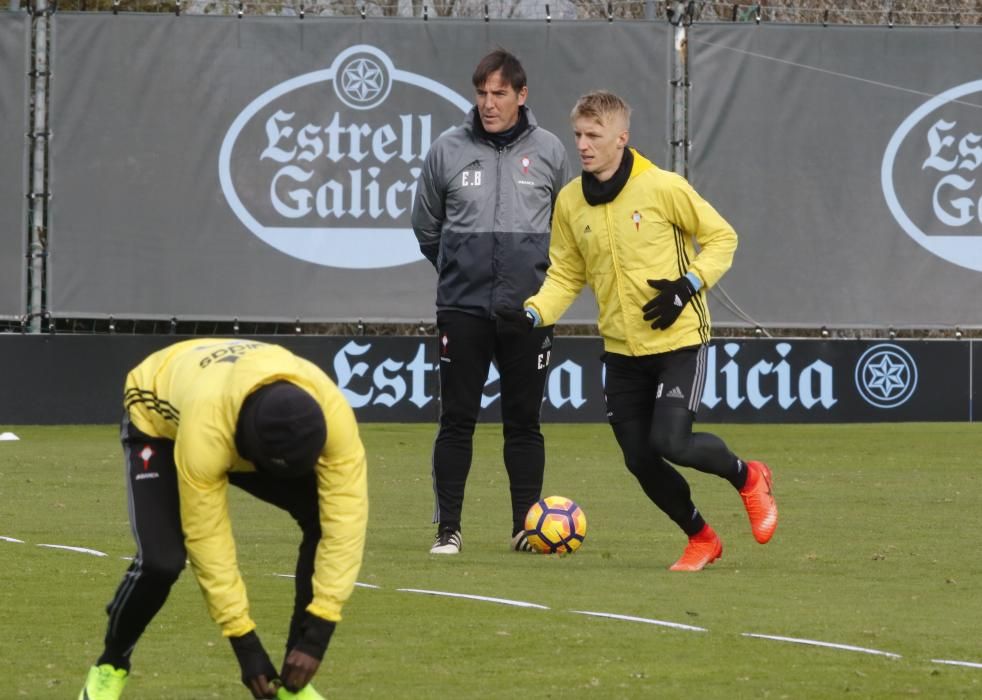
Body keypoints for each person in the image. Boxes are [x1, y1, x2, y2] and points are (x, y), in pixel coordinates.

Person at [498, 91, 777, 571]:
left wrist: (686, 287)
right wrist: (532, 314)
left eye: (594, 135)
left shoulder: (662, 186)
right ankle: (702, 539)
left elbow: (722, 237)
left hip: (679, 340)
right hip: (621, 351)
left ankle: (748, 476)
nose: (583, 145)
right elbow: (566, 275)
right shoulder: (569, 202)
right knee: (639, 460)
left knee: (672, 442)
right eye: (579, 135)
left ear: (621, 138)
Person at [78, 339, 368, 699]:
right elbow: (208, 538)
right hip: (159, 415)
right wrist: (244, 642)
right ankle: (111, 664)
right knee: (162, 561)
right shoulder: (207, 435)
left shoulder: (335, 420)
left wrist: (318, 634)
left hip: (238, 398)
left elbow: (346, 524)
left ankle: (293, 685)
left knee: (323, 520)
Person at [412, 49, 570, 555]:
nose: (488, 102)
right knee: (457, 419)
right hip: (462, 309)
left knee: (524, 422)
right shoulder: (446, 149)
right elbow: (425, 226)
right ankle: (448, 530)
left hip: (529, 311)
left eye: (499, 93)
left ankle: (526, 527)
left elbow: (565, 231)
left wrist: (539, 286)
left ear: (522, 96)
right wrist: (460, 270)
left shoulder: (550, 151)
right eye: (481, 92)